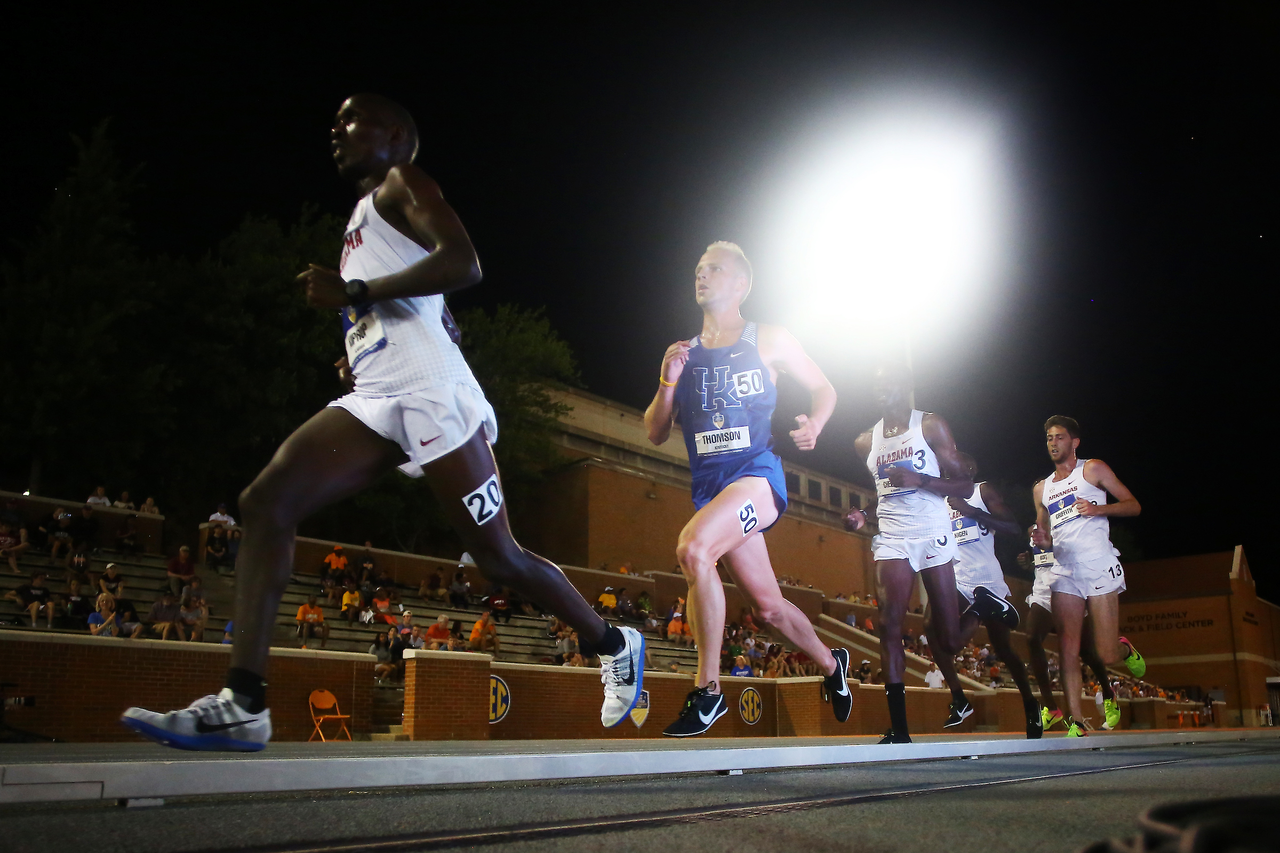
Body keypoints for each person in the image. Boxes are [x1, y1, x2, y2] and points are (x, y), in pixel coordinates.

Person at [122, 94, 641, 752]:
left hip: (432, 394)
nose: (335, 130)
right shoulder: (360, 223)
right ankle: (243, 702)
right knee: (266, 502)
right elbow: (432, 304)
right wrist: (360, 342)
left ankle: (614, 641)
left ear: (395, 135)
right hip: (375, 395)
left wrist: (356, 294)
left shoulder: (404, 183)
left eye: (350, 119)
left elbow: (465, 261)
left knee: (498, 557)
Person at [643, 241, 851, 737]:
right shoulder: (683, 355)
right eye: (697, 269)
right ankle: (833, 665)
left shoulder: (768, 338)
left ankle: (708, 691)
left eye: (713, 269)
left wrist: (817, 424)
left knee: (694, 550)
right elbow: (654, 430)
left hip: (757, 475)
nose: (701, 275)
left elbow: (826, 388)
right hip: (712, 489)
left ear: (741, 284)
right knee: (768, 607)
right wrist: (668, 381)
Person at [845, 363, 971, 744]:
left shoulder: (931, 426)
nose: (883, 390)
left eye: (890, 383)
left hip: (933, 532)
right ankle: (899, 728)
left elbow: (963, 485)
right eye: (877, 384)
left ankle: (979, 606)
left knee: (948, 641)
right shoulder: (865, 441)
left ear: (906, 387)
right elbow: (884, 492)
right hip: (894, 537)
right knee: (889, 624)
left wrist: (922, 480)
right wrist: (862, 514)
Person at [1031, 415, 1144, 737]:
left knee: (1105, 654)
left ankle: (1125, 650)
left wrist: (1098, 509)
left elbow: (1133, 505)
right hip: (1064, 569)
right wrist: (1042, 540)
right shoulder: (1042, 488)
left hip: (1097, 563)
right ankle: (1076, 721)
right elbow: (1045, 531)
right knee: (1067, 646)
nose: (1053, 443)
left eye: (1060, 437)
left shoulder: (1093, 469)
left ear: (1074, 442)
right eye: (1049, 437)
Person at [929, 453, 1044, 739]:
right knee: (930, 624)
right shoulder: (940, 502)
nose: (946, 474)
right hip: (957, 578)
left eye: (952, 469)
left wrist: (973, 512)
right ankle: (959, 698)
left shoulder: (983, 491)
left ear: (970, 470)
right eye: (943, 470)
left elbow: (1012, 527)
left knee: (1004, 649)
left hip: (987, 579)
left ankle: (1031, 704)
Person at [1019, 524, 1117, 732]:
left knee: (1088, 653)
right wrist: (1030, 564)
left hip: (1069, 588)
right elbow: (1042, 560)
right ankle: (1051, 707)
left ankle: (1108, 694)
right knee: (1032, 638)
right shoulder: (1033, 530)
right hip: (1044, 592)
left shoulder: (1071, 525)